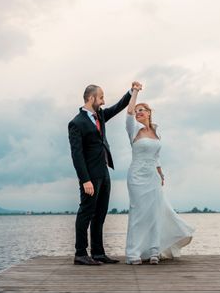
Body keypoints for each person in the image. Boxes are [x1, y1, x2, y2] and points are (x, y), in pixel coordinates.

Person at [68, 83, 137, 265]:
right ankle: (80, 253)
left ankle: (98, 253)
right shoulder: (76, 123)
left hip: (104, 172)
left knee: (100, 213)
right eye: (101, 97)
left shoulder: (99, 116)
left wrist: (131, 92)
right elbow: (77, 155)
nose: (103, 101)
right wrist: (85, 180)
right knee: (86, 212)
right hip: (90, 176)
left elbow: (117, 107)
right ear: (91, 98)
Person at [125, 84, 194, 264]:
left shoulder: (156, 132)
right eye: (138, 110)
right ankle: (133, 254)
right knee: (138, 213)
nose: (139, 112)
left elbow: (156, 157)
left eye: (143, 110)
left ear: (149, 113)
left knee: (155, 214)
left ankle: (154, 251)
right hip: (136, 177)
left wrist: (160, 173)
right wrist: (135, 92)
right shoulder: (134, 130)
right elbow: (129, 112)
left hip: (153, 177)